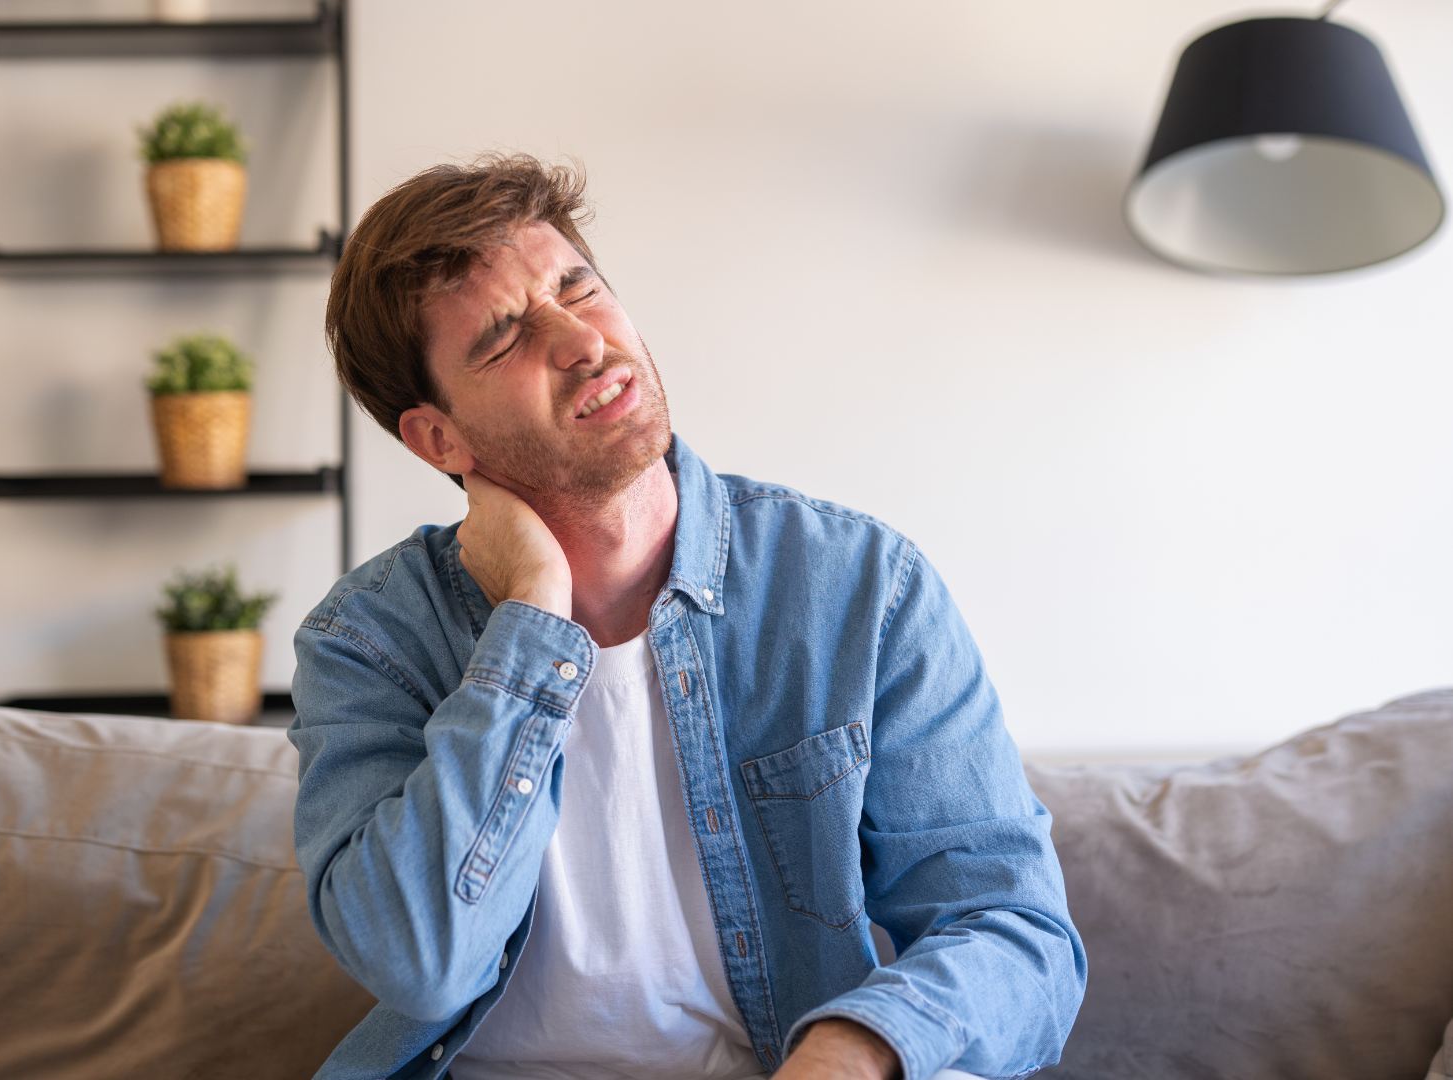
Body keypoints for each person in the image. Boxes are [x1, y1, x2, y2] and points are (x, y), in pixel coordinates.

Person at [290, 154, 1086, 1080]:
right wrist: (533, 620)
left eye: (579, 288)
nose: (581, 342)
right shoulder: (368, 640)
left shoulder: (859, 587)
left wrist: (858, 1044)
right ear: (440, 437)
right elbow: (419, 964)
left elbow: (1017, 934)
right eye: (505, 338)